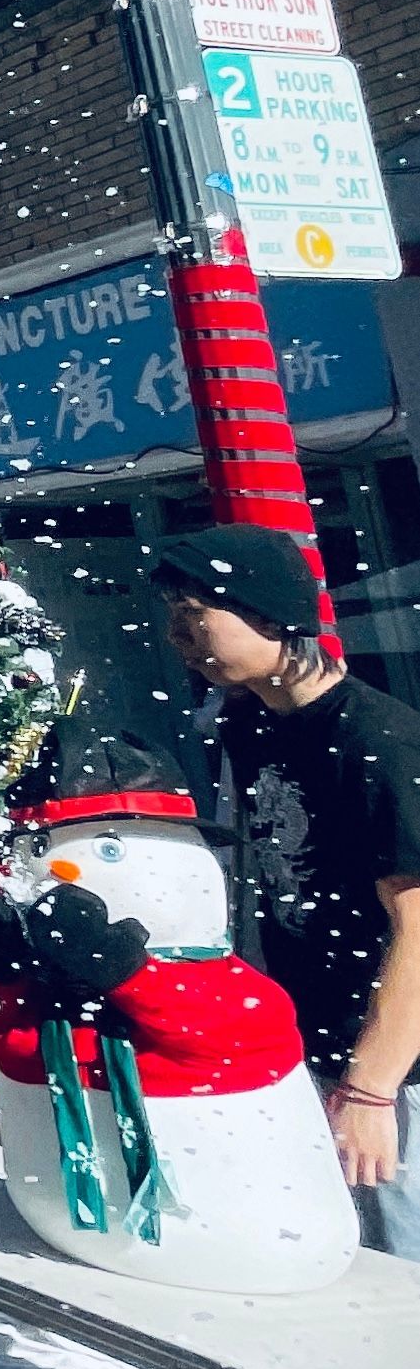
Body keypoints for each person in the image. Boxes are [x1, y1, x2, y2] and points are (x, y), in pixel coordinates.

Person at [157, 523, 420, 1251]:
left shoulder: (380, 741)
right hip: (304, 1046)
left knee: (401, 1273)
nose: (180, 634)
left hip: (395, 1067)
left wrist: (372, 1089)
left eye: (194, 613)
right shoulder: (248, 723)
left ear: (269, 615)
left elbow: (419, 931)